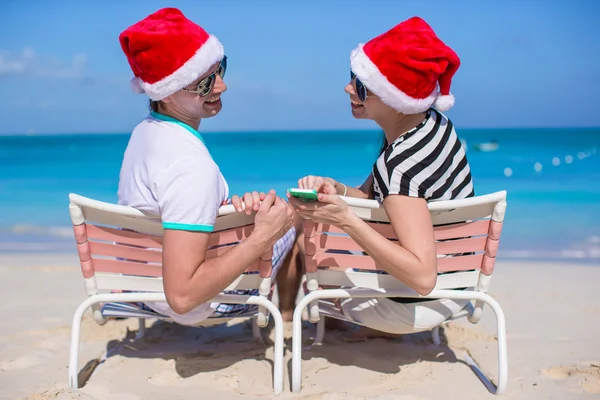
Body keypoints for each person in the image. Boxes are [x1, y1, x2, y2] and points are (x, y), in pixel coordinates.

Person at [289, 17, 475, 338]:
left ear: (397, 98)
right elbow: (379, 195)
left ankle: (289, 322)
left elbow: (421, 275)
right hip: (459, 286)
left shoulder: (399, 164)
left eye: (362, 84)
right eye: (352, 78)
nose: (348, 88)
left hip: (410, 305)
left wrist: (347, 220)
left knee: (301, 230)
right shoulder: (435, 126)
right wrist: (337, 189)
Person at [117, 8, 300, 325]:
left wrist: (231, 213)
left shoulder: (144, 134)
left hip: (140, 289)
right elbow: (183, 297)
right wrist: (261, 236)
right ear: (166, 90)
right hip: (193, 306)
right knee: (294, 213)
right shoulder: (190, 166)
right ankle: (285, 317)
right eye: (203, 83)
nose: (221, 87)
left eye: (220, 71)